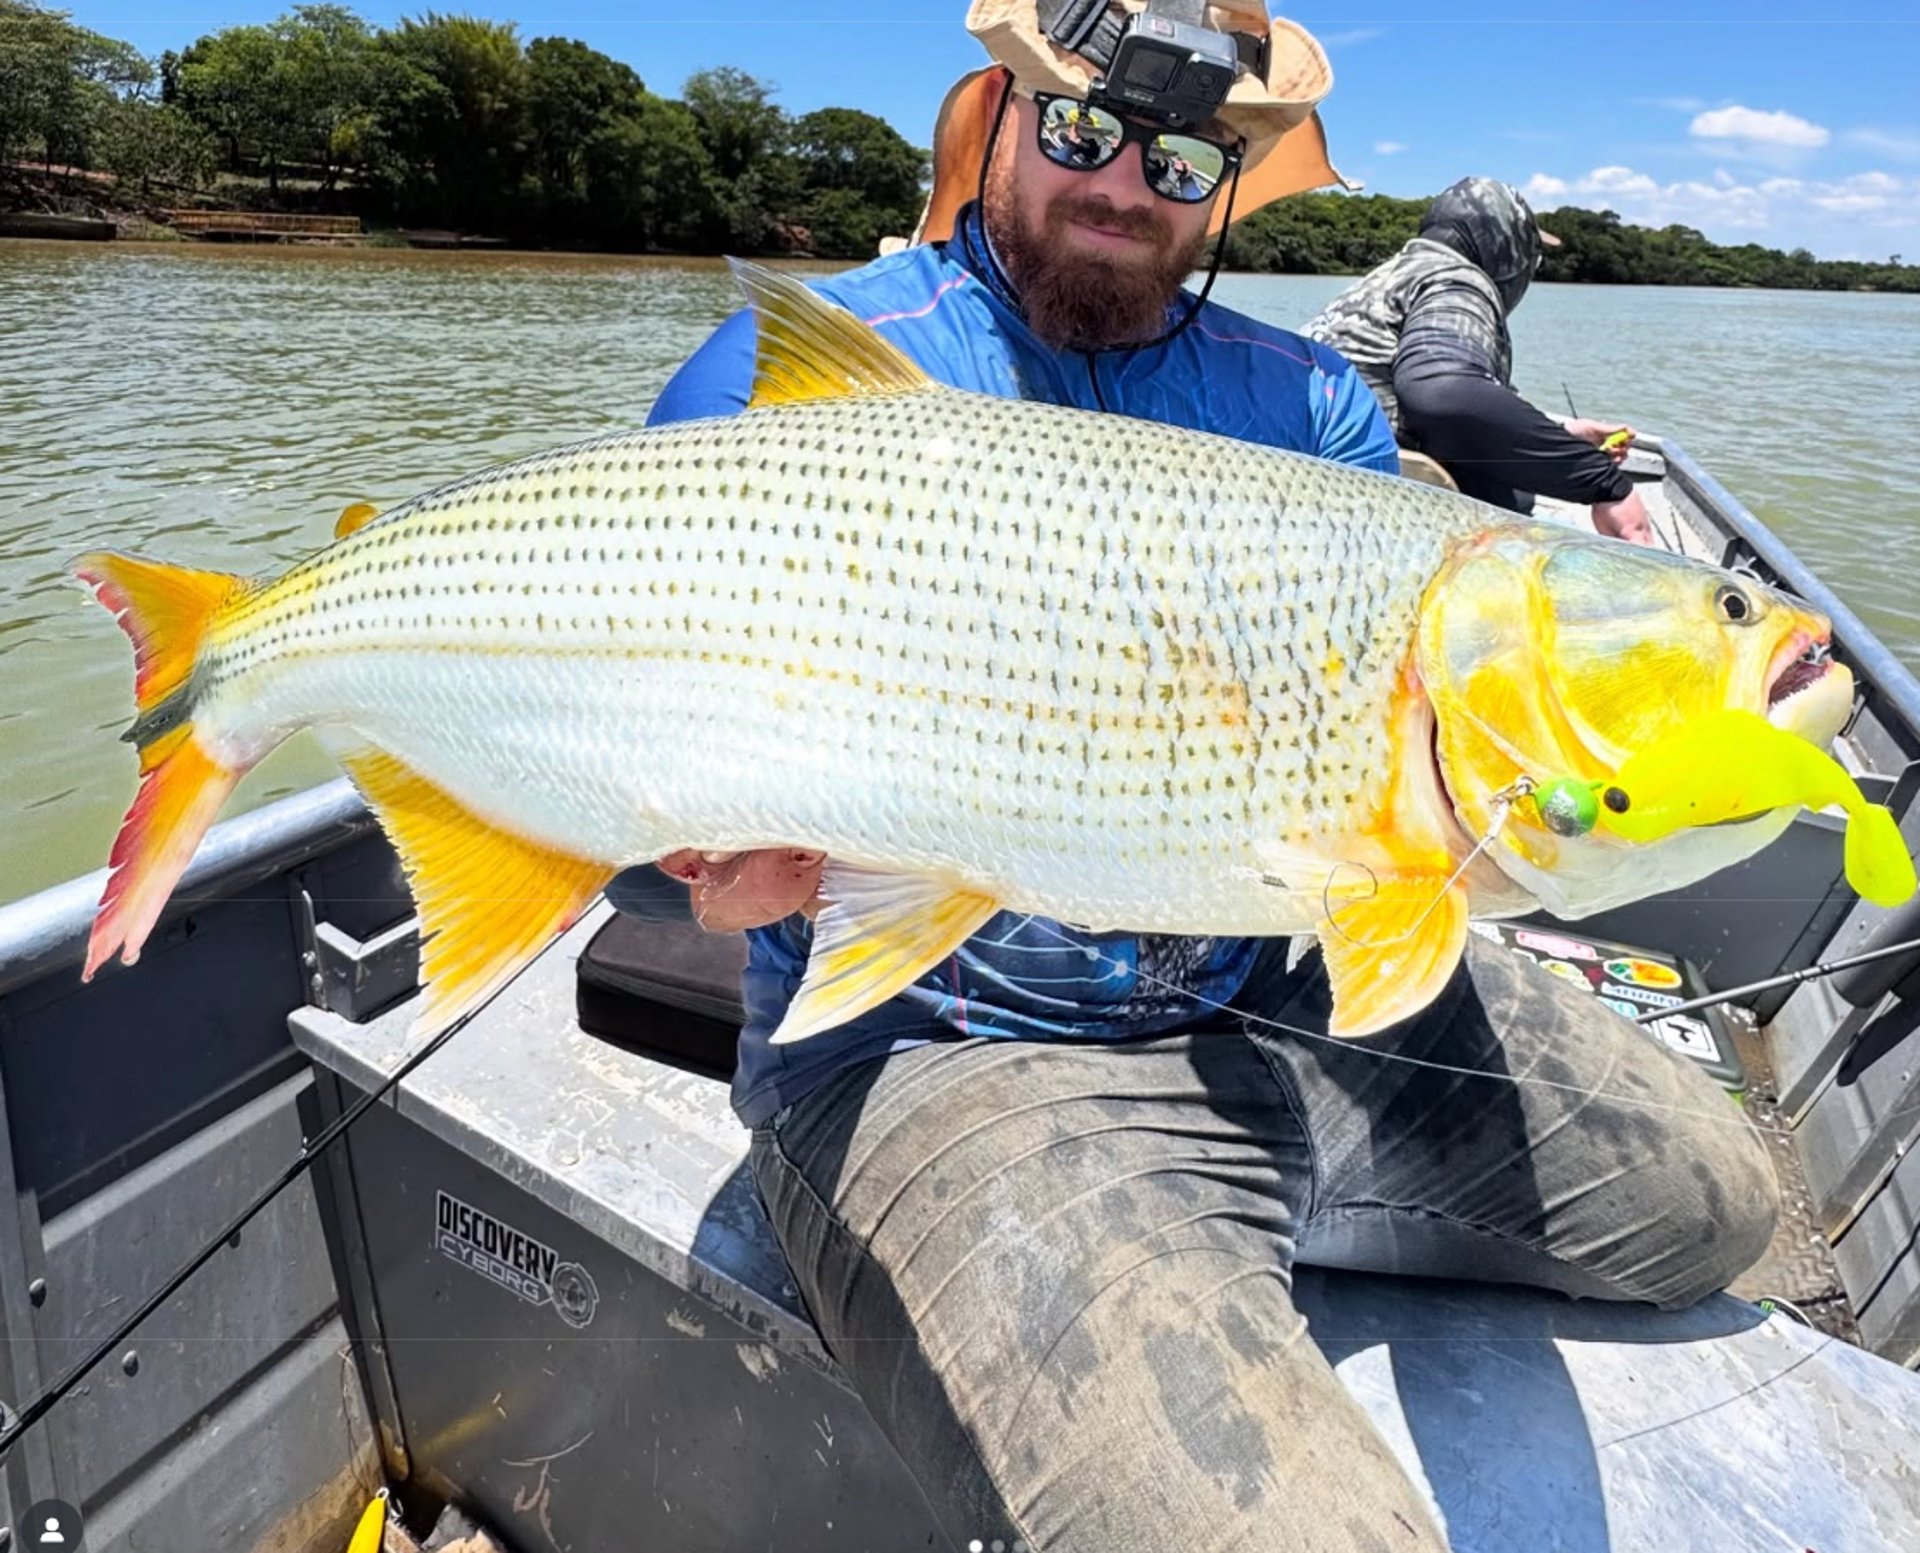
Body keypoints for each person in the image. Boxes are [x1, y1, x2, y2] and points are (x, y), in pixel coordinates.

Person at [608, 5, 1778, 1550]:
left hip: (1268, 983)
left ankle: (1236, 1211)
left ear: (1226, 180)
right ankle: (1153, 1238)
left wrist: (1515, 816)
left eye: (1175, 154)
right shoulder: (799, 373)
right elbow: (608, 805)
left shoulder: (1314, 407)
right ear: (1001, 118)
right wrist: (691, 865)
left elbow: (1402, 767)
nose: (1122, 182)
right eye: (1081, 129)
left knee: (1711, 1199)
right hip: (945, 1042)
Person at [1304, 176, 1655, 542]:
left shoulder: (1382, 280)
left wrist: (1561, 435)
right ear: (1504, 246)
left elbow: (1395, 391)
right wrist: (1605, 483)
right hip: (1390, 517)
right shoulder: (1455, 279)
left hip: (1328, 494)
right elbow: (1444, 396)